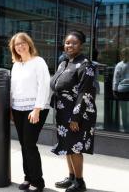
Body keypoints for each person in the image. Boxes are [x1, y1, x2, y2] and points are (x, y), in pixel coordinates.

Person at [50, 30, 96, 192]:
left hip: (77, 113)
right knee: (67, 145)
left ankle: (80, 182)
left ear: (81, 45)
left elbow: (85, 92)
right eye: (68, 42)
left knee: (75, 146)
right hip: (63, 111)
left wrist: (76, 117)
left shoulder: (85, 64)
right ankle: (71, 177)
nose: (70, 46)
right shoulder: (64, 62)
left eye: (74, 43)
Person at [9, 32, 51, 192]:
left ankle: (38, 182)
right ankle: (28, 177)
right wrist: (11, 109)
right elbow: (13, 89)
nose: (20, 46)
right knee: (23, 144)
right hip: (18, 109)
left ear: (28, 44)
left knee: (29, 144)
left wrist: (37, 109)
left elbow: (44, 86)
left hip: (35, 109)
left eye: (22, 43)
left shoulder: (38, 62)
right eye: (16, 44)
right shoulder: (16, 65)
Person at [113, 47, 129, 132]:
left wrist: (114, 90)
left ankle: (126, 128)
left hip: (122, 90)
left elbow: (116, 79)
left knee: (124, 111)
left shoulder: (119, 65)